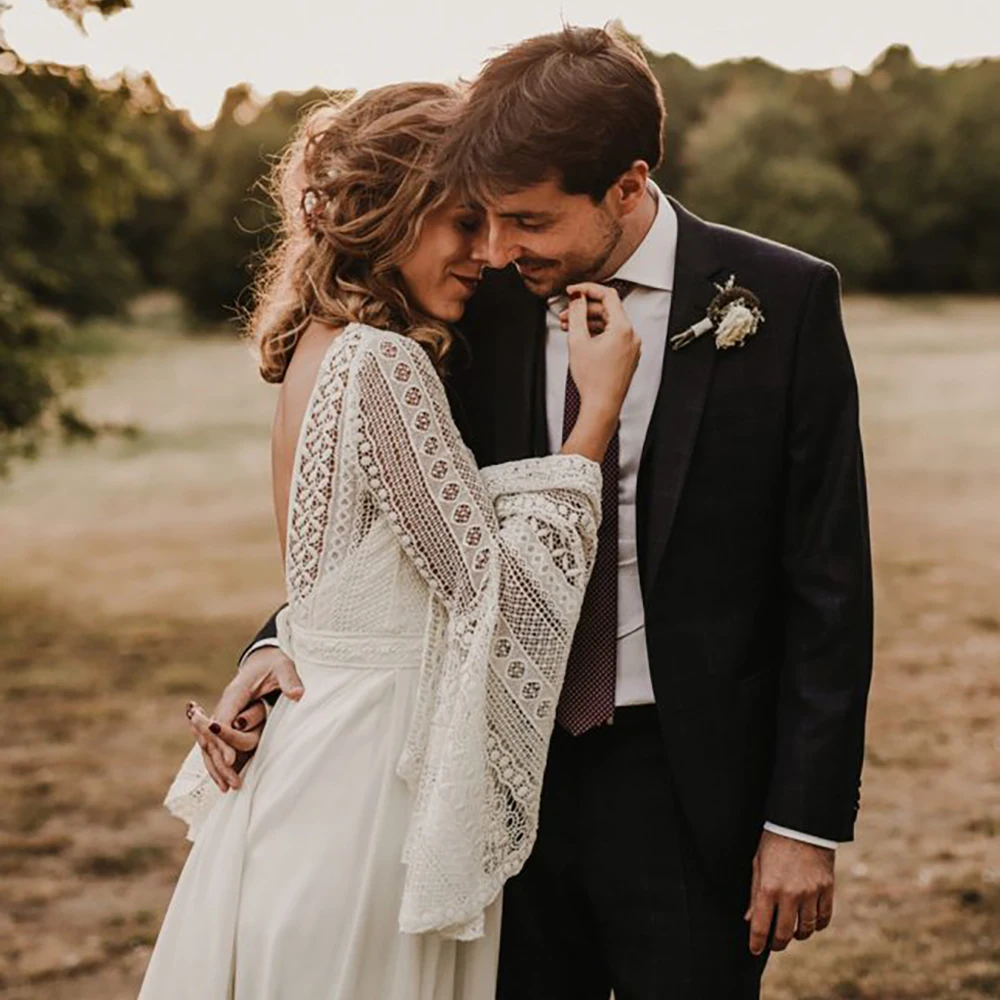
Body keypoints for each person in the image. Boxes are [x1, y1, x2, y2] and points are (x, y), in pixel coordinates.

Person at [212, 25, 874, 1000]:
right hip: (482, 776)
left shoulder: (782, 300)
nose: (496, 247)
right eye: (482, 221)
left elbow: (827, 583)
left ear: (626, 184)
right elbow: (417, 524)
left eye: (525, 220)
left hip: (685, 787)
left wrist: (802, 823)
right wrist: (277, 644)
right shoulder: (479, 300)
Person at [137, 80, 641, 1000]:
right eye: (461, 224)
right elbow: (500, 602)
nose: (487, 254)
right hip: (370, 784)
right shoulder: (384, 363)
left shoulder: (317, 352)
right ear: (390, 214)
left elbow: (346, 587)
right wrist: (593, 419)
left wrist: (274, 644)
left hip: (315, 747)